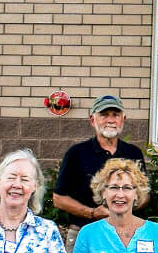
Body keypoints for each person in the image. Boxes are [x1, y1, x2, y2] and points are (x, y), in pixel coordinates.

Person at [52, 95, 146, 224]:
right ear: (92, 120)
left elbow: (145, 194)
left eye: (115, 115)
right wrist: (92, 213)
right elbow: (58, 199)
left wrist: (125, 207)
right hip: (84, 229)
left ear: (123, 120)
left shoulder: (134, 153)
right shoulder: (76, 153)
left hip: (126, 229)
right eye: (104, 115)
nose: (110, 120)